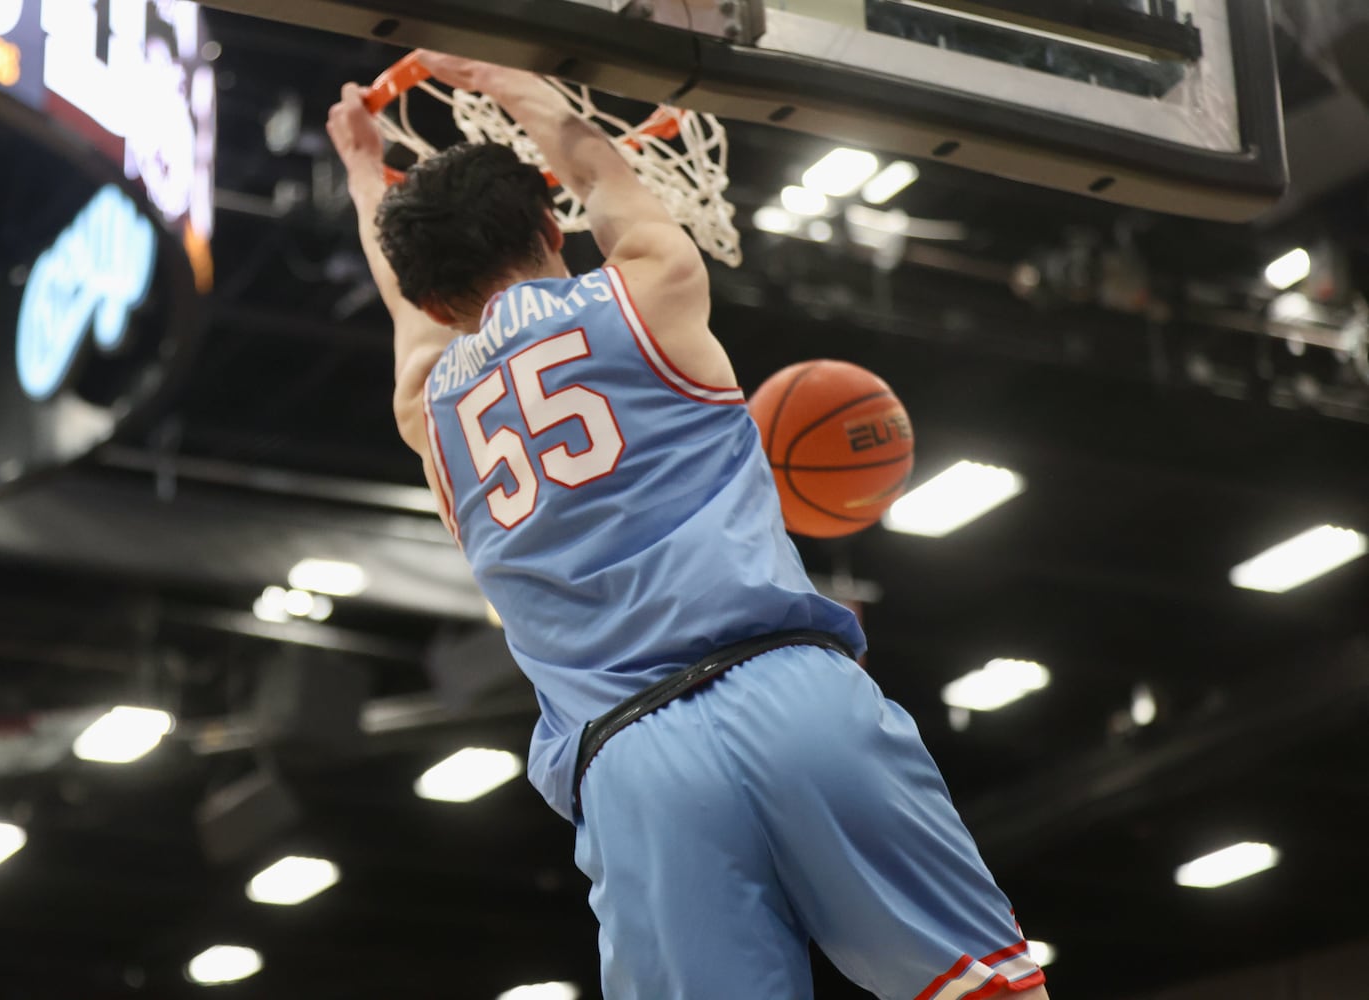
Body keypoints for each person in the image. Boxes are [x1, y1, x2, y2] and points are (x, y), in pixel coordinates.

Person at [326, 53, 1050, 1000]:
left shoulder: (430, 411)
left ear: (429, 300)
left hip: (631, 764)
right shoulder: (648, 285)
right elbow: (600, 179)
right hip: (789, 690)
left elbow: (410, 320)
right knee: (987, 992)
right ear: (553, 225)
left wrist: (359, 168)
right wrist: (522, 86)